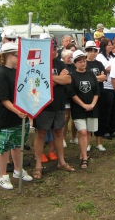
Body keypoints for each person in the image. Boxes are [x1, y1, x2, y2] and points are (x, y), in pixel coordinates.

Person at [33, 34, 75, 179]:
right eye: (50, 48)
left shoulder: (61, 64)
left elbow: (68, 79)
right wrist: (58, 79)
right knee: (41, 134)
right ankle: (38, 165)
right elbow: (39, 83)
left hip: (59, 103)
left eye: (55, 47)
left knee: (58, 132)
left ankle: (61, 162)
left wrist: (50, 79)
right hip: (44, 105)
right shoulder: (38, 64)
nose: (53, 50)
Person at [0, 43, 33, 189]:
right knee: (4, 146)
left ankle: (18, 170)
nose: (20, 58)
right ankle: (2, 176)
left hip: (20, 115)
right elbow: (3, 99)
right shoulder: (1, 73)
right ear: (9, 56)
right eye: (18, 55)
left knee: (18, 144)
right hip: (7, 116)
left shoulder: (16, 71)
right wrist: (17, 110)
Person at [68, 50, 100, 168]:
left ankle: (84, 153)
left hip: (92, 107)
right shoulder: (72, 76)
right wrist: (83, 105)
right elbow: (72, 93)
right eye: (80, 61)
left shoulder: (91, 74)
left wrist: (92, 103)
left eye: (84, 61)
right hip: (78, 108)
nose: (83, 63)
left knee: (88, 132)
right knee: (81, 131)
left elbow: (97, 91)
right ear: (75, 63)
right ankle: (85, 159)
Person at [85, 41, 107, 151]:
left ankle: (99, 143)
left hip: (100, 93)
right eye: (90, 51)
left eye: (94, 51)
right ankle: (88, 143)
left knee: (101, 118)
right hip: (88, 95)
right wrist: (97, 78)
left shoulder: (99, 64)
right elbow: (85, 78)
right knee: (89, 118)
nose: (93, 53)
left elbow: (104, 77)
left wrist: (93, 78)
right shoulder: (84, 63)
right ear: (86, 51)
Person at [96, 39, 115, 140]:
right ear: (104, 46)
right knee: (106, 109)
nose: (111, 47)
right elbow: (105, 70)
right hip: (106, 86)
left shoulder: (114, 56)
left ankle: (113, 128)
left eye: (111, 45)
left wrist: (113, 68)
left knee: (114, 109)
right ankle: (105, 130)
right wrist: (114, 68)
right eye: (109, 45)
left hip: (114, 86)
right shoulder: (100, 57)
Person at [61, 49, 78, 146]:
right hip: (65, 95)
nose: (70, 59)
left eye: (72, 57)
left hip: (74, 94)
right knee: (66, 117)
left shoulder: (74, 66)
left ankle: (73, 137)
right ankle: (63, 138)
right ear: (63, 58)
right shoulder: (62, 67)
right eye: (68, 58)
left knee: (75, 117)